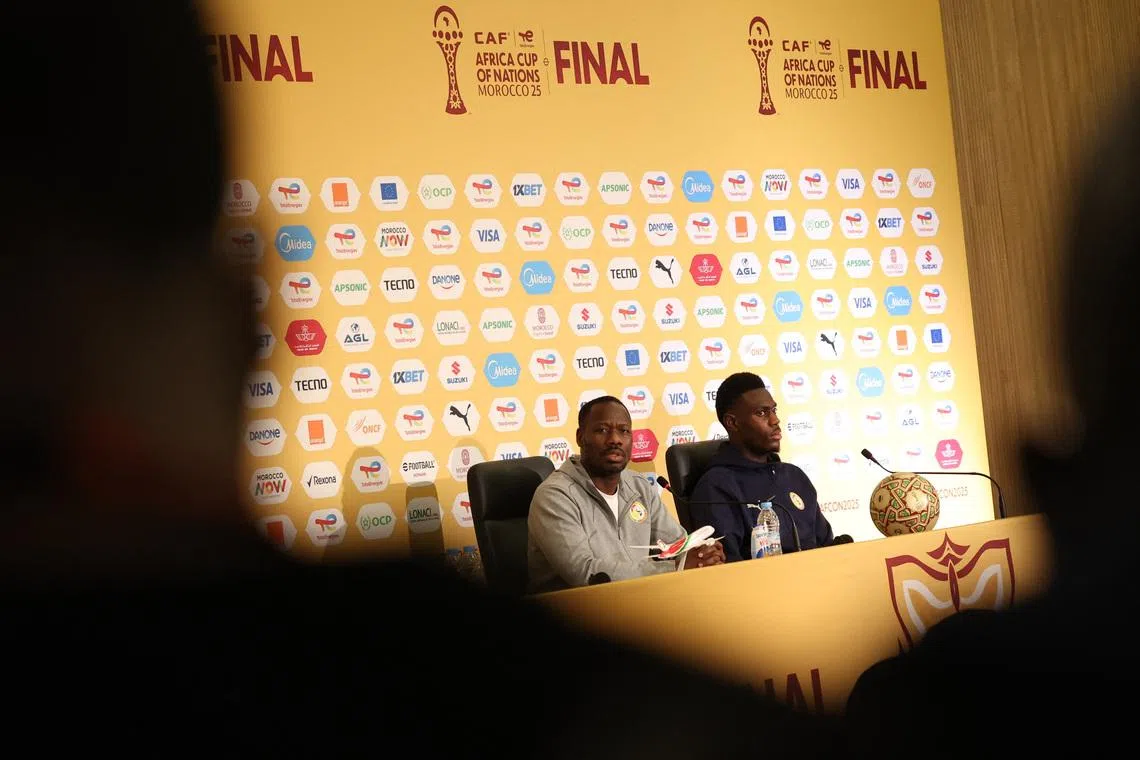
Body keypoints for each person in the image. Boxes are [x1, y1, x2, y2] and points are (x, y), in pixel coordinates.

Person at [0, 3, 843, 754]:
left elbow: (674, 559)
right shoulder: (463, 670)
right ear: (248, 326)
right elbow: (611, 582)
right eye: (605, 429)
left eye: (625, 431)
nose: (619, 440)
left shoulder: (647, 508)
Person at [528, 396, 726, 592]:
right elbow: (584, 573)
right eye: (602, 430)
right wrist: (675, 568)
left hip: (640, 603)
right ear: (580, 437)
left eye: (624, 431)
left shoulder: (638, 486)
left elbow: (677, 546)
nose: (615, 439)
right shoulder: (555, 496)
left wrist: (702, 554)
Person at [688, 373, 834, 560]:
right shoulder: (716, 487)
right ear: (732, 423)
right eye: (761, 413)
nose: (775, 420)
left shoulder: (794, 476)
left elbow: (826, 546)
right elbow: (726, 569)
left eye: (774, 410)